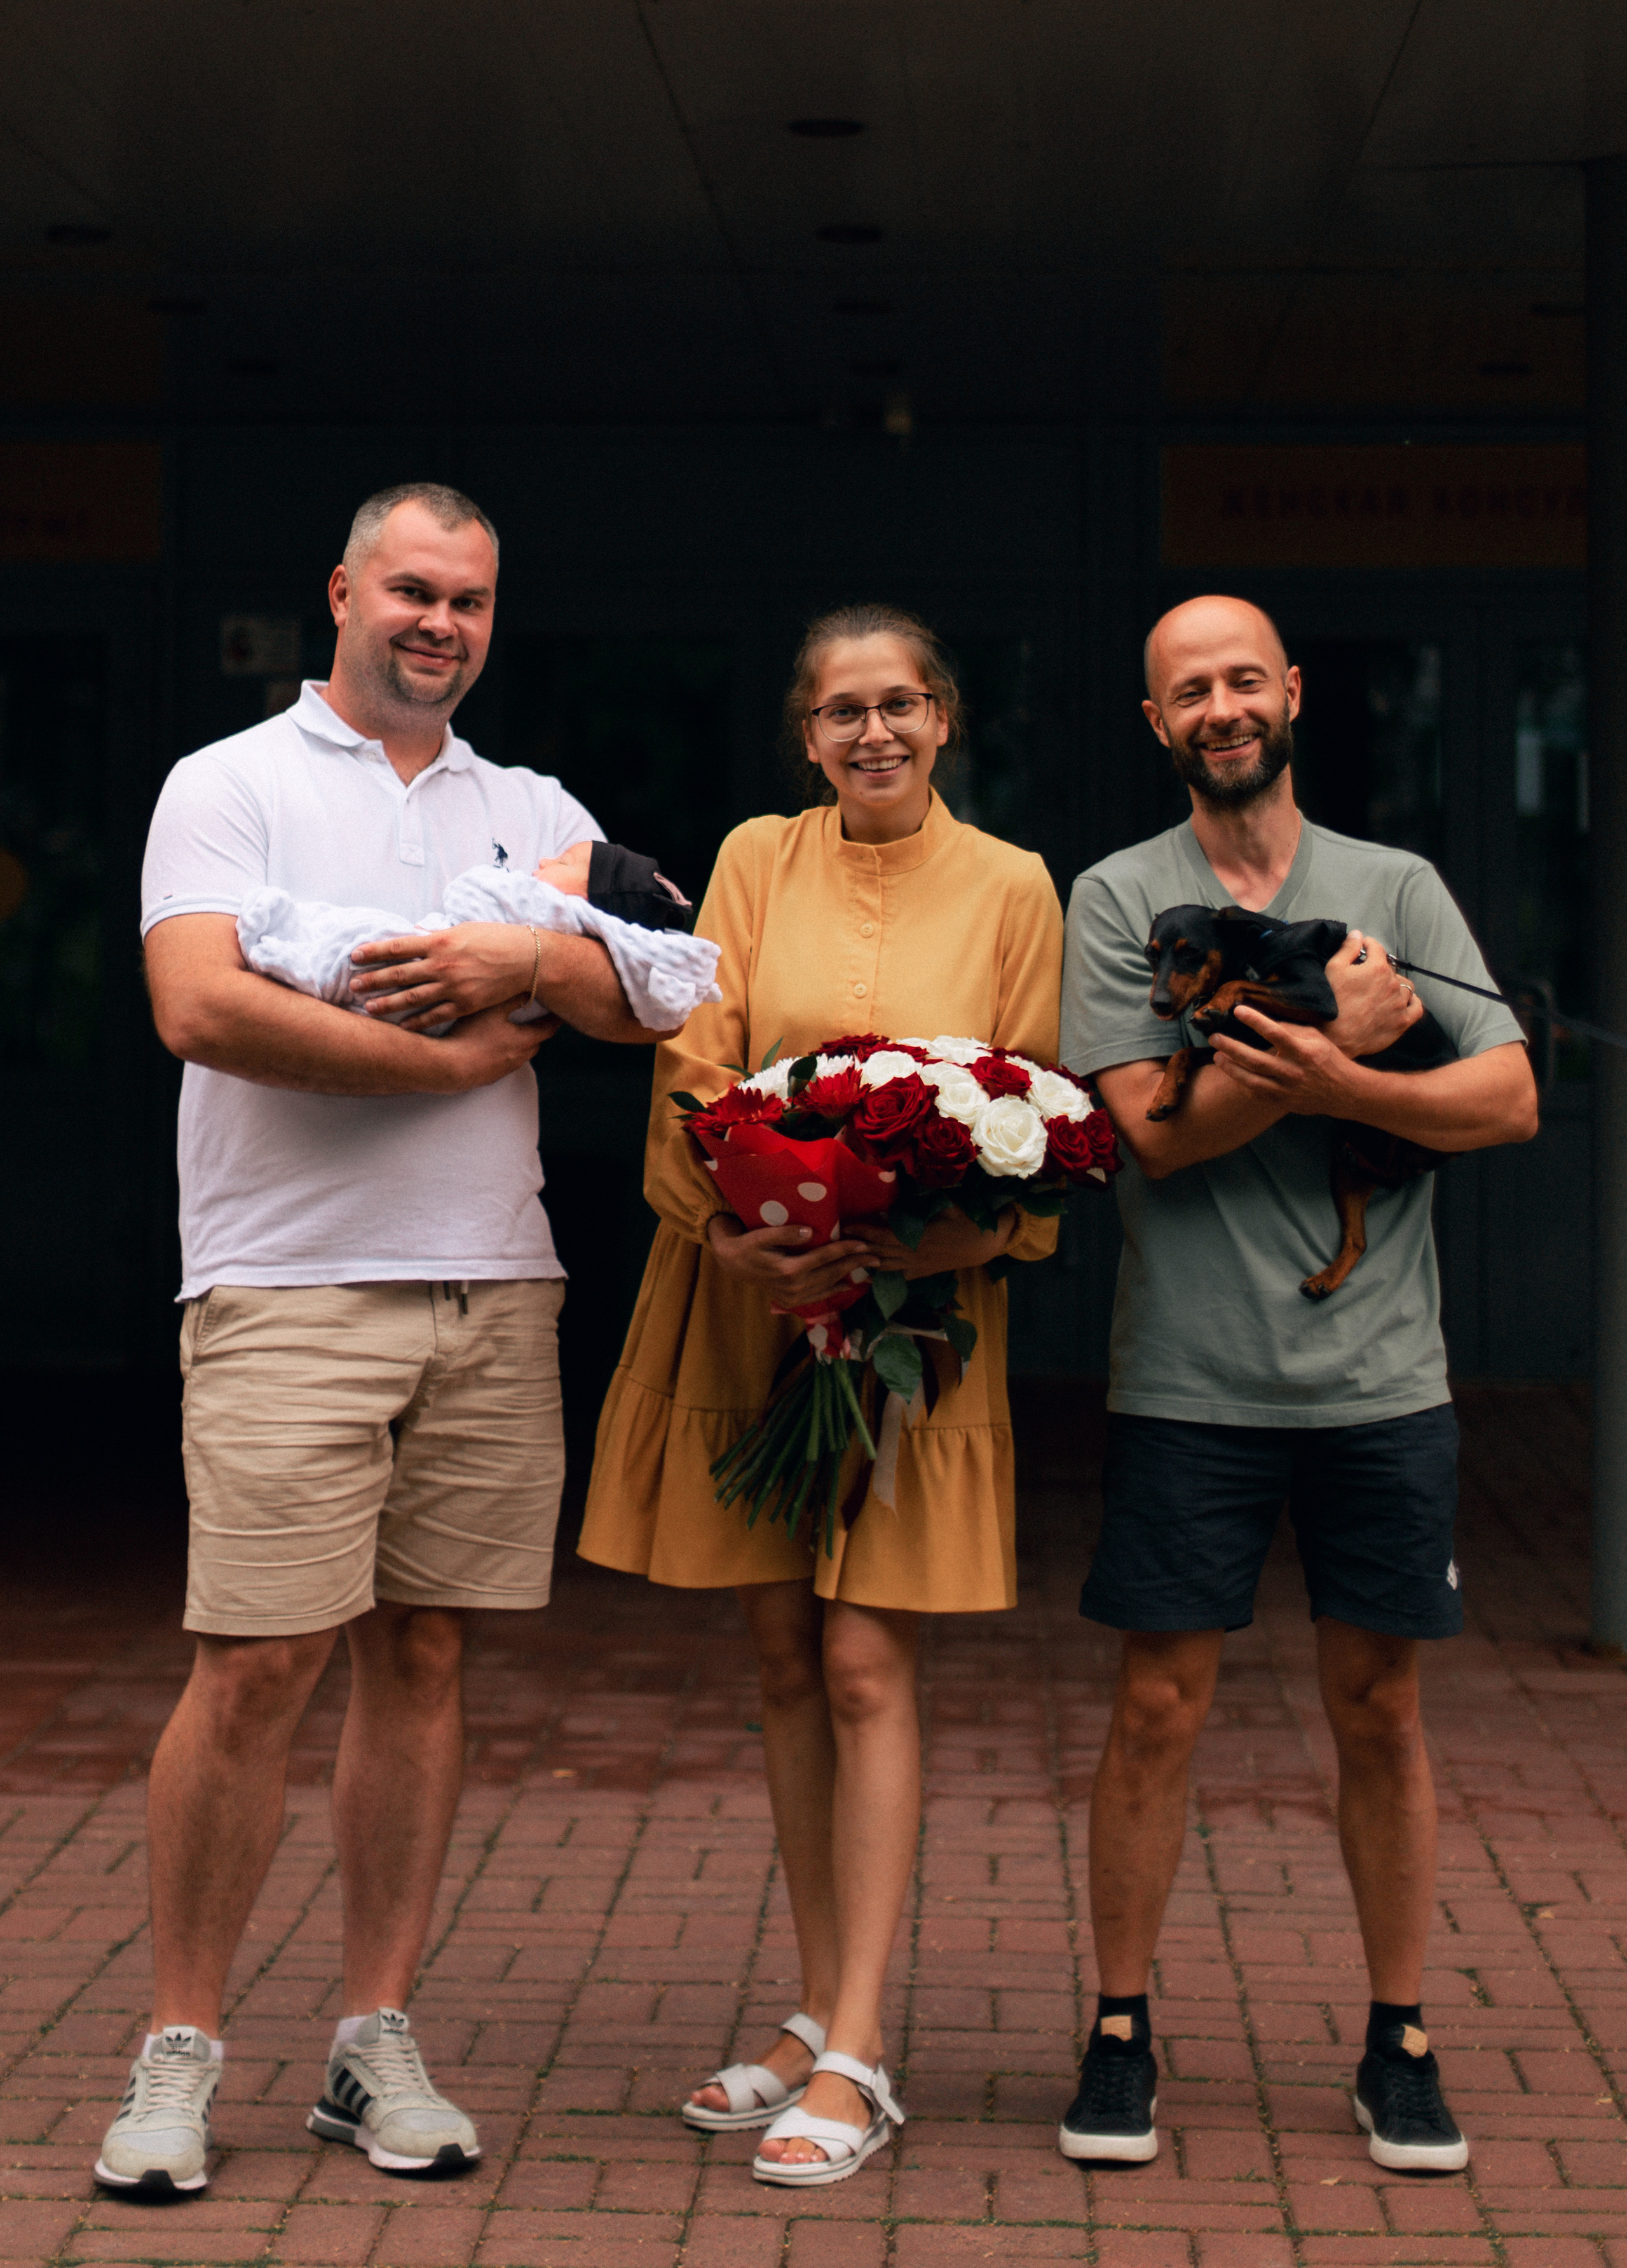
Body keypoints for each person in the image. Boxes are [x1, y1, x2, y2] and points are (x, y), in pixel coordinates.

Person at [102, 482, 670, 2197]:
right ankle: (178, 2052)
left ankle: (372, 2041)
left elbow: (645, 985)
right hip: (286, 1289)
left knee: (424, 1659)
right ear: (343, 591)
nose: (441, 624)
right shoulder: (231, 784)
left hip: (493, 1283)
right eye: (413, 592)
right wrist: (442, 1053)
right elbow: (199, 1003)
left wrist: (517, 953)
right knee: (260, 1663)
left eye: (472, 602)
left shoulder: (532, 804)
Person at [578, 604, 1063, 2188]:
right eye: (843, 709)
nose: (874, 732)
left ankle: (856, 2047)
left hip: (910, 1323)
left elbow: (1033, 1109)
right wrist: (740, 1236)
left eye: (902, 704)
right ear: (805, 732)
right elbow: (693, 1067)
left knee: (865, 1659)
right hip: (748, 1305)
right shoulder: (750, 858)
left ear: (944, 720)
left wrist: (896, 1237)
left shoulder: (1011, 885)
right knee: (785, 1650)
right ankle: (811, 2006)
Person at [1056, 594, 1538, 2175]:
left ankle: (1399, 2035)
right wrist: (1343, 1035)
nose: (1218, 706)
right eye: (1186, 689)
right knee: (1153, 1708)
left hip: (1379, 1378)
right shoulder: (1120, 894)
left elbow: (1510, 1091)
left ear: (1290, 694)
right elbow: (1154, 1129)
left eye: (1240, 679)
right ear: (1156, 723)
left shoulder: (1393, 883)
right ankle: (1118, 2026)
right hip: (1189, 1375)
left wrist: (1329, 1078)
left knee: (1380, 1708)